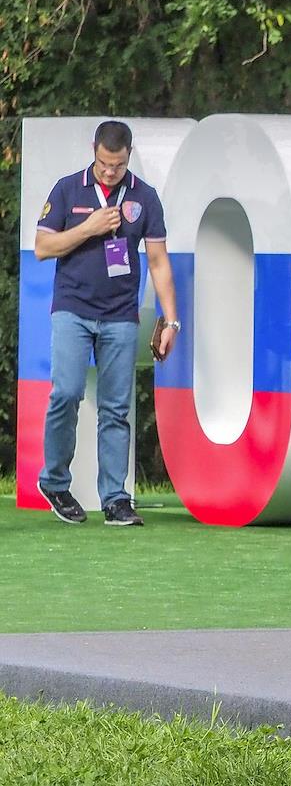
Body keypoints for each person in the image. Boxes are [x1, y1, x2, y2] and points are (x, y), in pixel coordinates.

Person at [34, 120, 181, 526]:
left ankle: (116, 499)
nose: (110, 172)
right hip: (72, 308)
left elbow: (158, 262)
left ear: (129, 156)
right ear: (93, 151)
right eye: (103, 164)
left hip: (120, 314)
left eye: (118, 165)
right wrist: (88, 228)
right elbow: (43, 246)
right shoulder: (68, 189)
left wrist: (171, 322)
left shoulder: (144, 197)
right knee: (66, 392)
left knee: (116, 409)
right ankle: (55, 482)